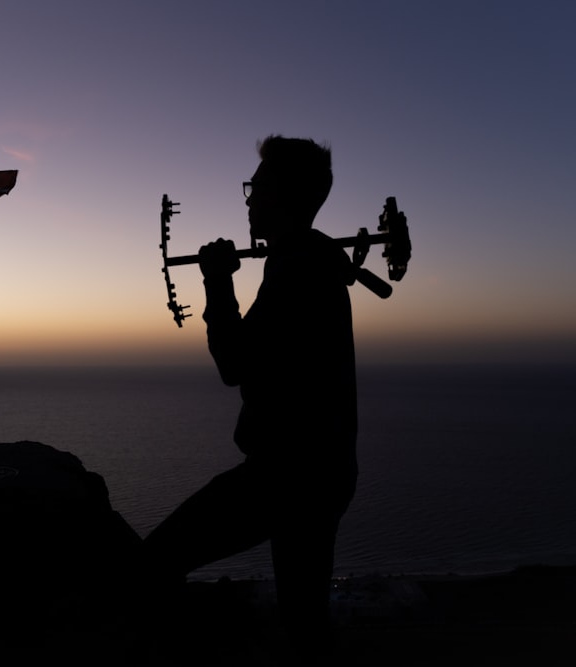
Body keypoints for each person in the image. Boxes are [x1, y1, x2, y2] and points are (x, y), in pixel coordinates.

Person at [143, 135, 359, 660]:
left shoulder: (298, 270)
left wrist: (218, 283)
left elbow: (235, 365)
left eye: (256, 188)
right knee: (305, 619)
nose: (249, 199)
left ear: (281, 194)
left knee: (153, 563)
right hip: (320, 472)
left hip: (286, 475)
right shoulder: (307, 262)